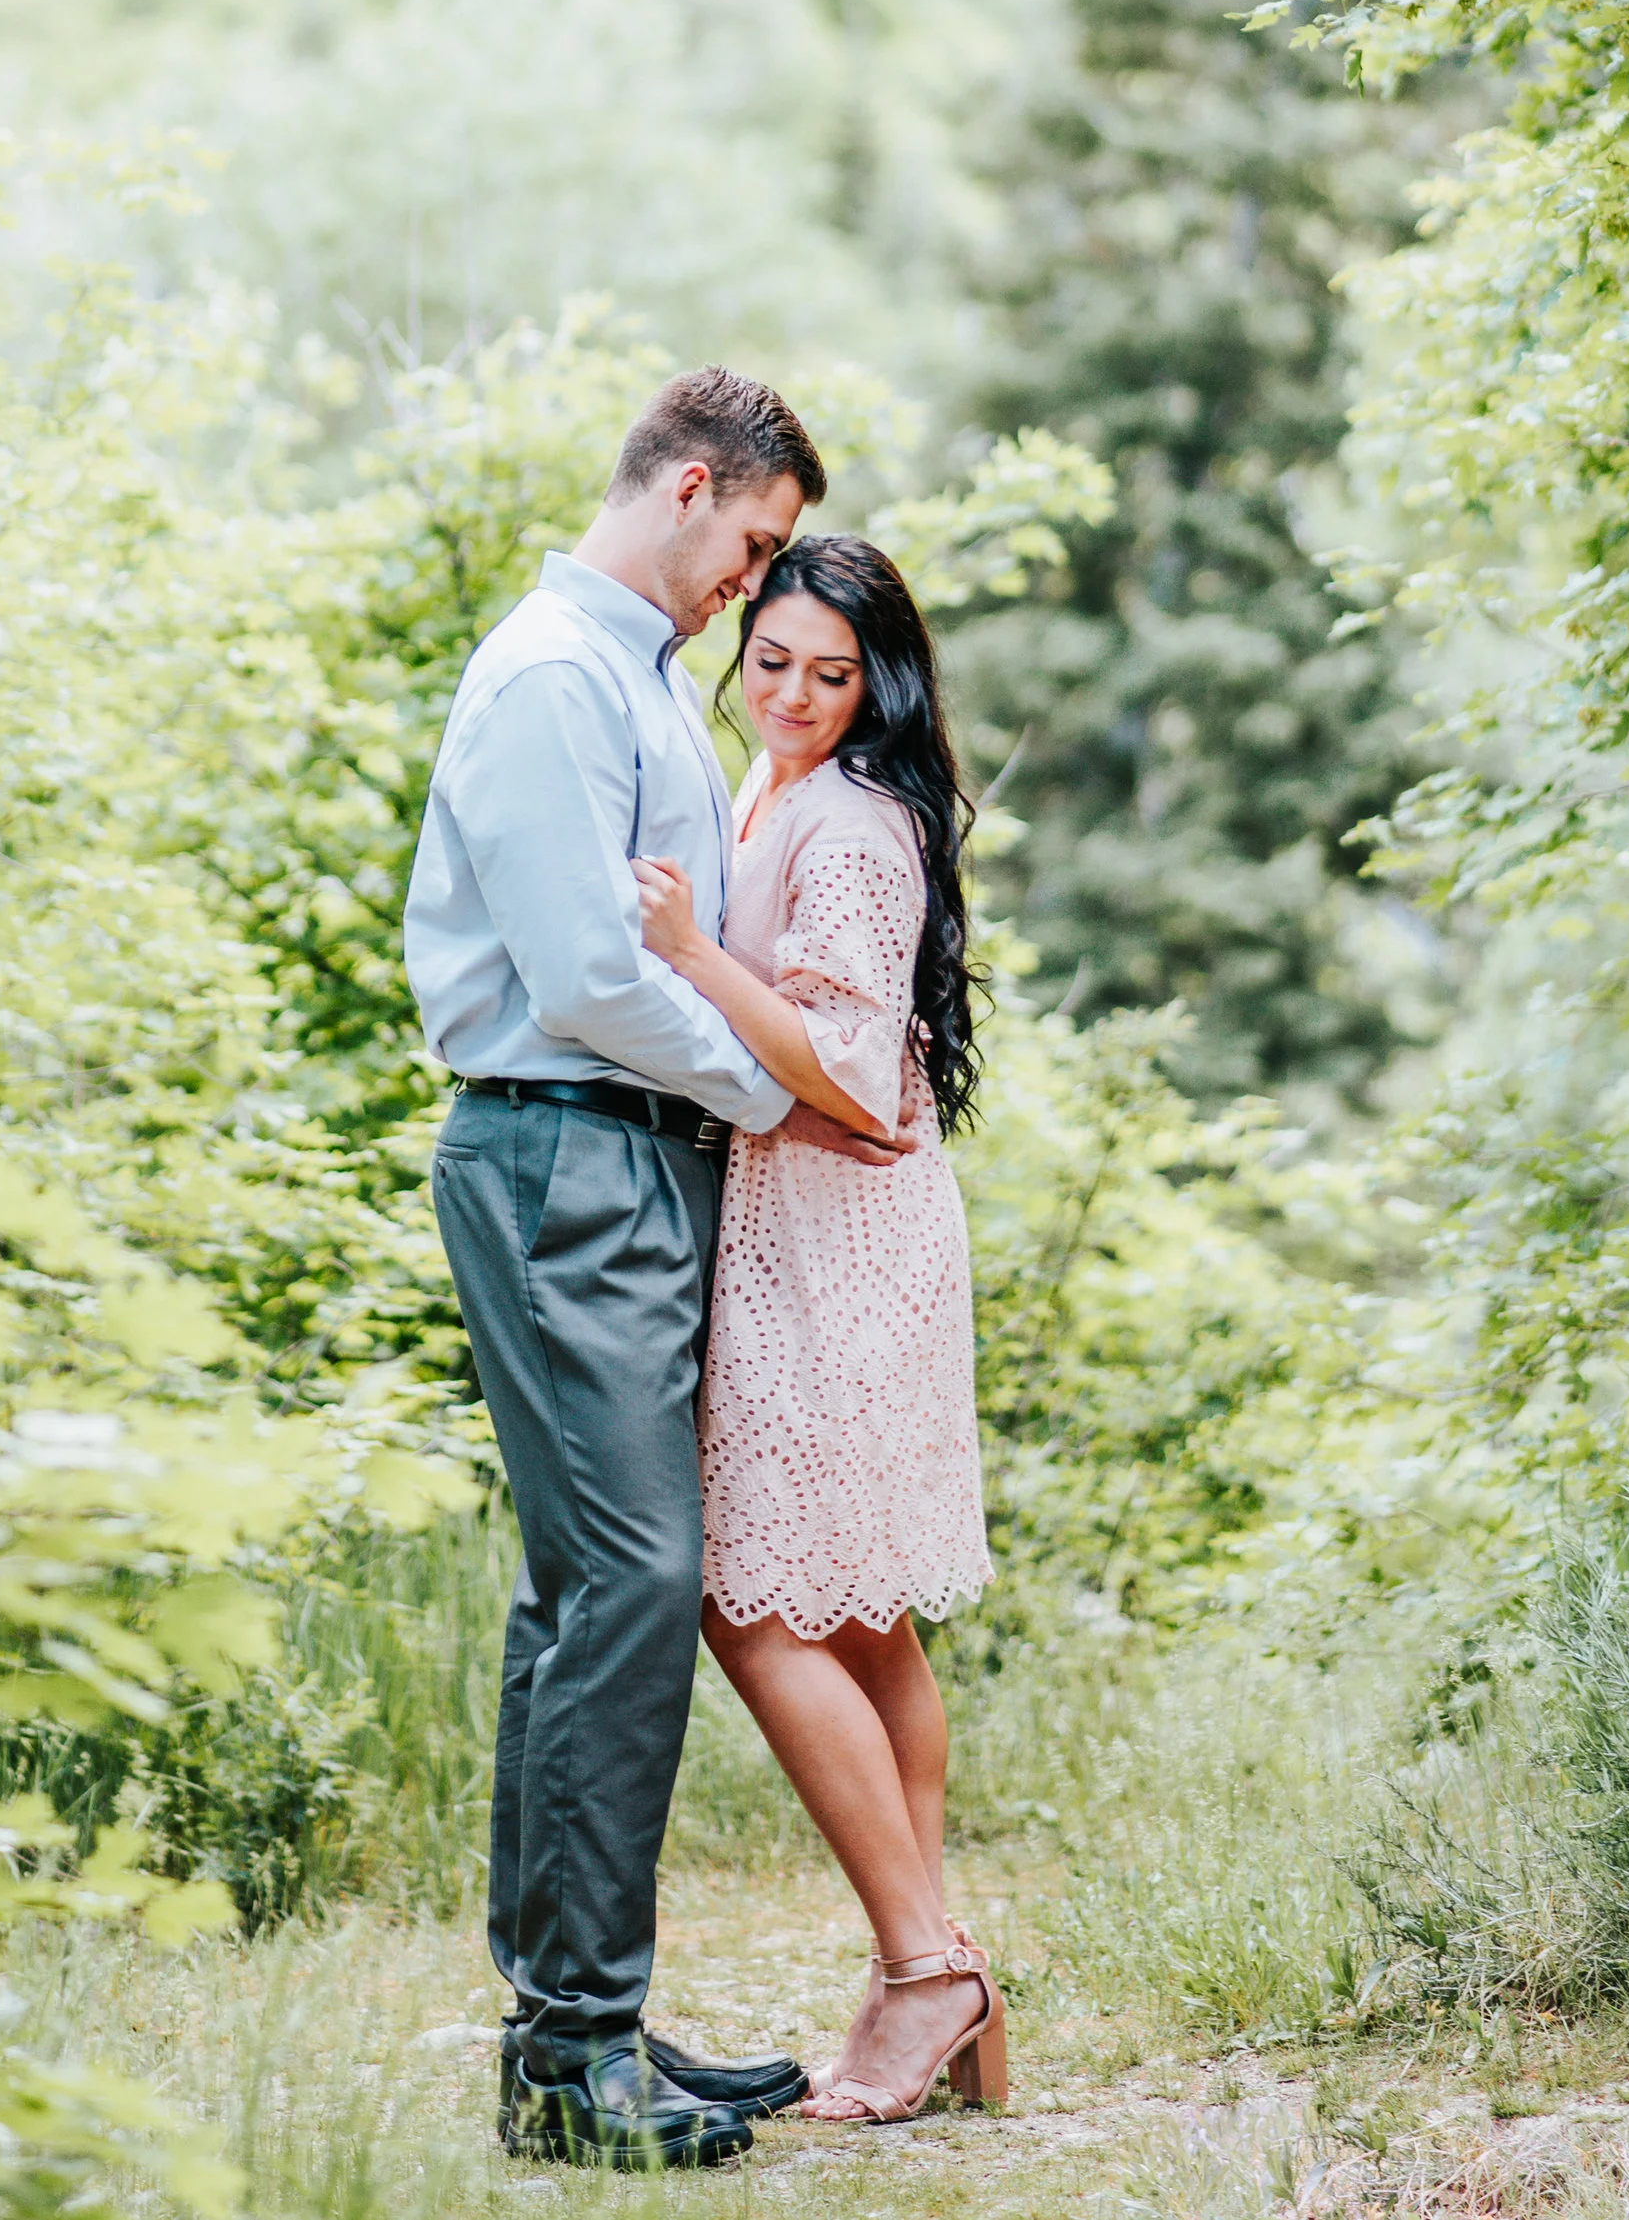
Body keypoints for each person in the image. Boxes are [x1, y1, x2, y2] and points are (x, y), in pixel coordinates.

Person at [405, 366, 910, 2170]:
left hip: (622, 1157)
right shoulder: (556, 674)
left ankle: (576, 2031)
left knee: (590, 1593)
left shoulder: (624, 673)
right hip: (564, 1152)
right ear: (694, 487)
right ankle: (575, 2057)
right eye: (755, 545)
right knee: (630, 1581)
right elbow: (585, 976)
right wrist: (771, 1089)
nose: (749, 590)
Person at [634, 532, 1002, 2127]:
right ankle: (931, 1975)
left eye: (830, 674)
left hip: (840, 1247)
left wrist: (693, 954)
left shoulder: (850, 822)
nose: (789, 692)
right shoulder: (769, 791)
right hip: (803, 1228)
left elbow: (852, 1070)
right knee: (857, 1616)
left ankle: (926, 1971)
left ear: (879, 687)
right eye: (770, 660)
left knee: (755, 1603)